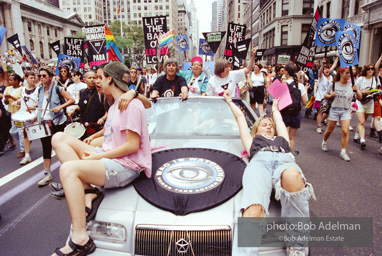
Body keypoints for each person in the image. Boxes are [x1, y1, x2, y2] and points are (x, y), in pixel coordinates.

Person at [50, 61, 151, 256]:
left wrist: (97, 157)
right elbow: (110, 133)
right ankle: (89, 191)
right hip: (109, 157)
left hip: (127, 166)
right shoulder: (114, 106)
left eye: (100, 77)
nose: (97, 81)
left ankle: (80, 239)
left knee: (68, 169)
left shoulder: (131, 105)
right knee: (59, 138)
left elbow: (131, 146)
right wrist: (92, 143)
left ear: (109, 79)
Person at [224, 91, 315, 256]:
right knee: (254, 209)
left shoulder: (283, 140)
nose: (269, 126)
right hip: (260, 162)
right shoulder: (252, 141)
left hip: (284, 160)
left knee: (293, 177)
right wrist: (229, 101)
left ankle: (297, 246)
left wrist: (274, 109)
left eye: (270, 125)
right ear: (256, 128)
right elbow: (240, 119)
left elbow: (279, 120)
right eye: (264, 124)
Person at [35, 67, 75, 186]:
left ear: (51, 77)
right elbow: (40, 103)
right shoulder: (40, 89)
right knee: (46, 148)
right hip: (44, 122)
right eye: (40, 76)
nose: (41, 78)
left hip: (57, 122)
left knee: (60, 148)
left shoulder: (58, 88)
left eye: (44, 76)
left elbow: (71, 100)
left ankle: (68, 172)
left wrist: (60, 107)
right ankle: (47, 174)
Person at [321, 67, 362, 161]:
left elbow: (359, 97)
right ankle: (324, 141)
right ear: (341, 73)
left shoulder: (352, 86)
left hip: (346, 110)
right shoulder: (333, 84)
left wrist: (357, 90)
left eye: (349, 73)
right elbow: (325, 95)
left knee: (345, 131)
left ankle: (343, 151)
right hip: (334, 109)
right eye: (347, 73)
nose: (349, 75)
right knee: (329, 130)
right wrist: (330, 95)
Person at [67, 71, 107, 139]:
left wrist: (102, 119)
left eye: (94, 78)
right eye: (89, 78)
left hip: (97, 127)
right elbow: (80, 106)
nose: (92, 80)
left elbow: (107, 111)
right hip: (84, 126)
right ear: (85, 80)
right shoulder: (82, 92)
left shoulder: (101, 93)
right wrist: (73, 110)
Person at [280, 62, 309, 151]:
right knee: (291, 137)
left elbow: (276, 100)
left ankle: (283, 154)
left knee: (283, 137)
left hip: (284, 112)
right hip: (296, 113)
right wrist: (306, 89)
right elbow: (305, 101)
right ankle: (289, 155)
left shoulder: (281, 85)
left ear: (286, 72)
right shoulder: (299, 85)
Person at [354, 63, 381, 148]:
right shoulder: (360, 79)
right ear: (365, 70)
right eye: (368, 69)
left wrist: (375, 92)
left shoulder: (376, 79)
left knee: (363, 121)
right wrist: (364, 92)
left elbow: (378, 90)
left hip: (370, 102)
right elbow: (355, 89)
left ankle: (356, 135)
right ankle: (362, 140)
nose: (370, 70)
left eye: (372, 69)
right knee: (361, 121)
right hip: (360, 101)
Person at [15, 71, 39, 164]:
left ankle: (50, 149)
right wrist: (16, 102)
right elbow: (22, 100)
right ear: (26, 78)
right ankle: (27, 155)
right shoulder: (23, 89)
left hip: (36, 114)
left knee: (40, 133)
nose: (33, 80)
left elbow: (41, 101)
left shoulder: (38, 89)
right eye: (31, 78)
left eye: (34, 78)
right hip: (26, 115)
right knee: (26, 133)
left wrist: (34, 106)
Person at [313, 56, 339, 134]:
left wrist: (337, 58)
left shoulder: (331, 77)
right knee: (320, 112)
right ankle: (318, 126)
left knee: (328, 112)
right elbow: (320, 71)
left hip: (329, 97)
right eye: (325, 69)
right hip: (321, 97)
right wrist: (322, 65)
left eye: (328, 69)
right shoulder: (321, 77)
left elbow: (333, 67)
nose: (327, 70)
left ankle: (320, 121)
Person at [3, 73, 23, 157]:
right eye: (9, 80)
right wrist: (7, 99)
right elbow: (5, 102)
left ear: (16, 81)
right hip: (12, 113)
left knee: (20, 131)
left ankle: (23, 150)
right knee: (13, 131)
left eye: (11, 80)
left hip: (20, 113)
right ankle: (26, 142)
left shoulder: (22, 89)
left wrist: (11, 96)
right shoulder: (7, 89)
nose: (9, 81)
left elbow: (22, 101)